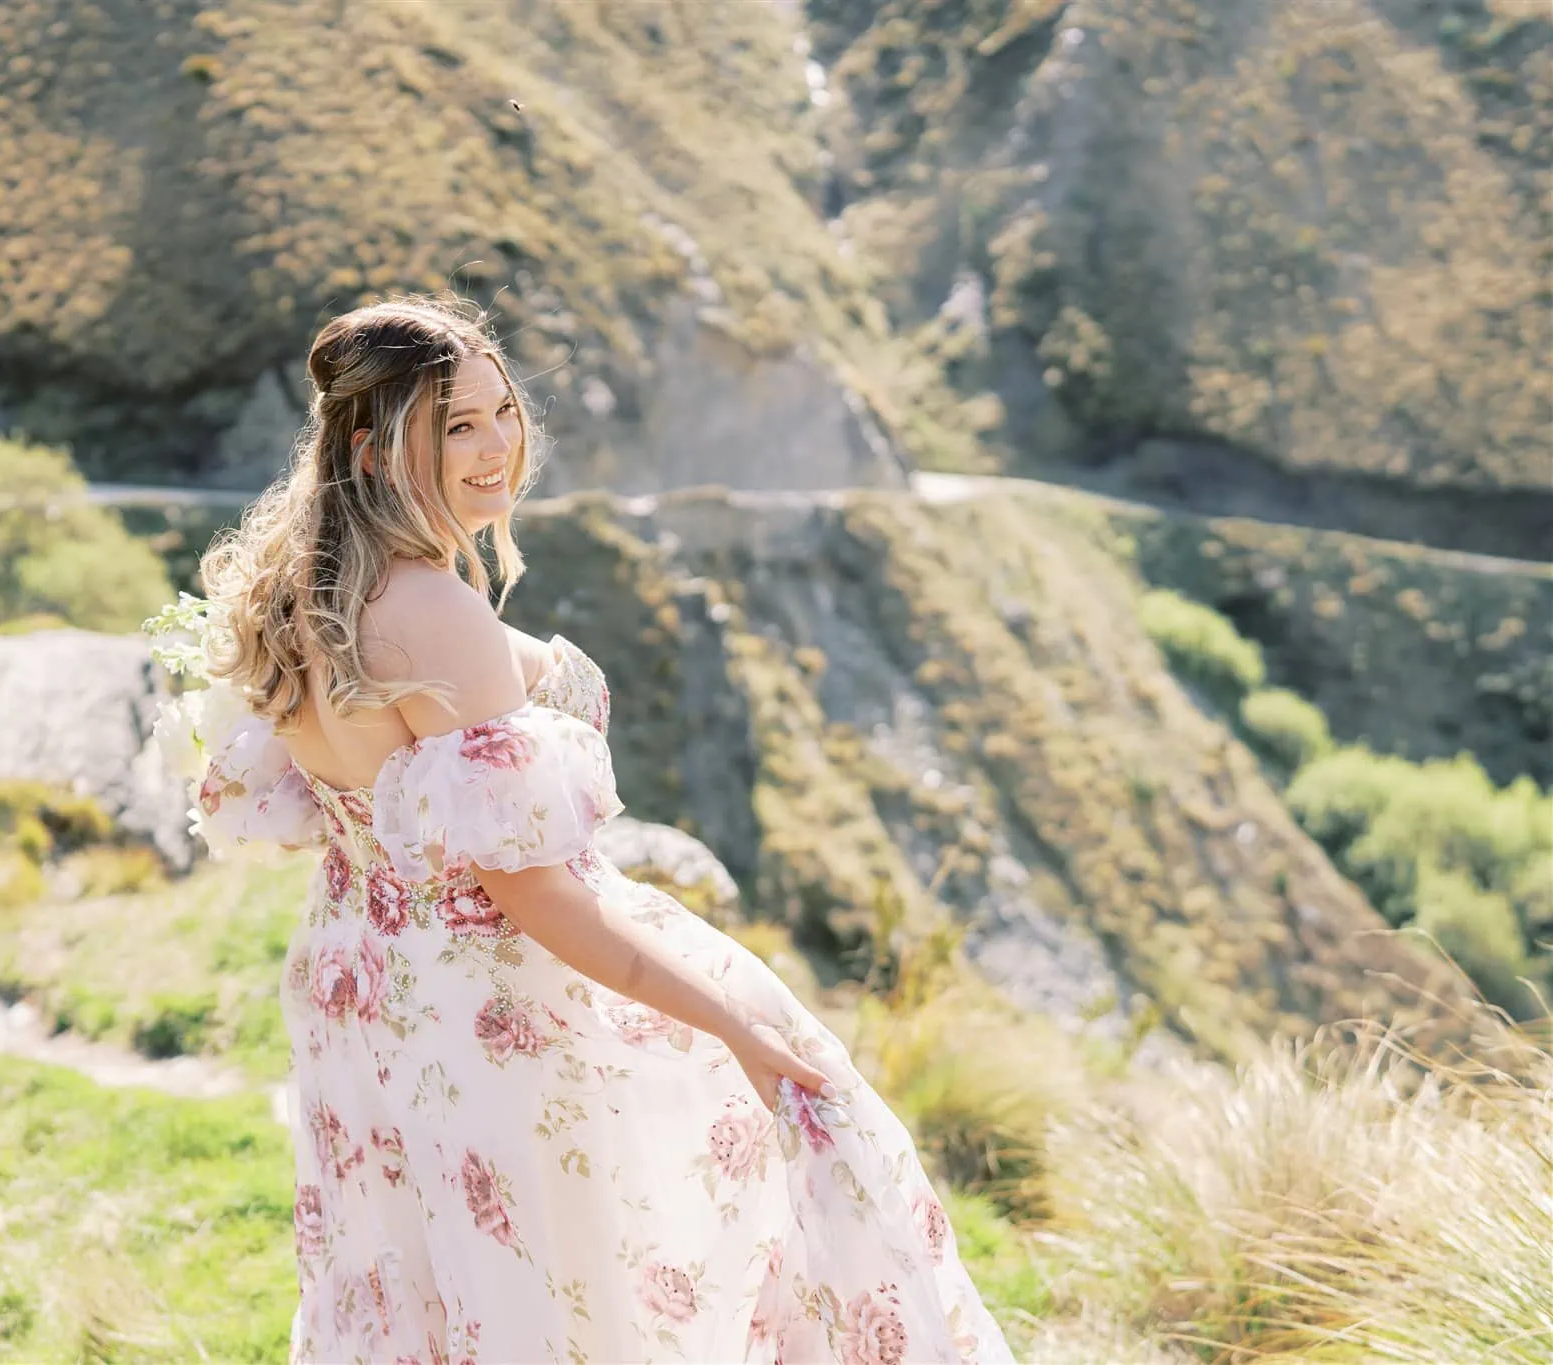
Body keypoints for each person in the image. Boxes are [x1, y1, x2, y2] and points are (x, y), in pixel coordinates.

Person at [160, 296, 1013, 1364]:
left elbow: (311, 805)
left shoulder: (299, 585)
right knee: (585, 1291)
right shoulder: (428, 610)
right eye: (454, 425)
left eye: (499, 410)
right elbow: (533, 895)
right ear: (375, 451)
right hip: (494, 1006)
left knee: (433, 1293)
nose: (496, 446)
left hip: (367, 987)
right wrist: (731, 1027)